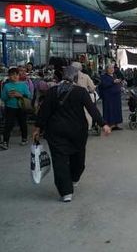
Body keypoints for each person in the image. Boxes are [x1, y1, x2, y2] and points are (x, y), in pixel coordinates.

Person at [33, 66, 111, 202]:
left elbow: (44, 111)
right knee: (78, 158)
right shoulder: (81, 92)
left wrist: (38, 127)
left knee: (60, 161)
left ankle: (66, 192)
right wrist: (103, 124)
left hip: (56, 132)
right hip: (77, 131)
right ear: (76, 78)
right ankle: (74, 178)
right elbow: (92, 108)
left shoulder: (52, 91)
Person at [1, 67, 32, 149]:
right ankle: (5, 142)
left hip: (21, 107)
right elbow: (3, 98)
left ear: (19, 75)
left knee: (23, 123)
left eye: (16, 75)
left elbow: (29, 96)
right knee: (8, 125)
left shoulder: (23, 85)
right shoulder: (6, 86)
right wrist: (8, 96)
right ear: (9, 76)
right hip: (10, 108)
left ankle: (24, 138)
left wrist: (20, 95)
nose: (14, 76)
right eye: (11, 75)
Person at [71, 61, 97, 130]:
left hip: (71, 97)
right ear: (81, 68)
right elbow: (92, 88)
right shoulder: (86, 76)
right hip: (84, 97)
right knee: (86, 112)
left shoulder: (69, 76)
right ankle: (87, 127)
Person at [98, 64, 123, 130]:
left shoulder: (114, 75)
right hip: (108, 97)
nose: (112, 69)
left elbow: (117, 83)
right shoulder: (104, 76)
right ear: (106, 69)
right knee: (109, 110)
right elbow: (104, 85)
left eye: (112, 68)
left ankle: (115, 124)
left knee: (116, 110)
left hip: (116, 96)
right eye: (110, 68)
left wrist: (119, 84)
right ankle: (109, 125)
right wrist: (113, 82)